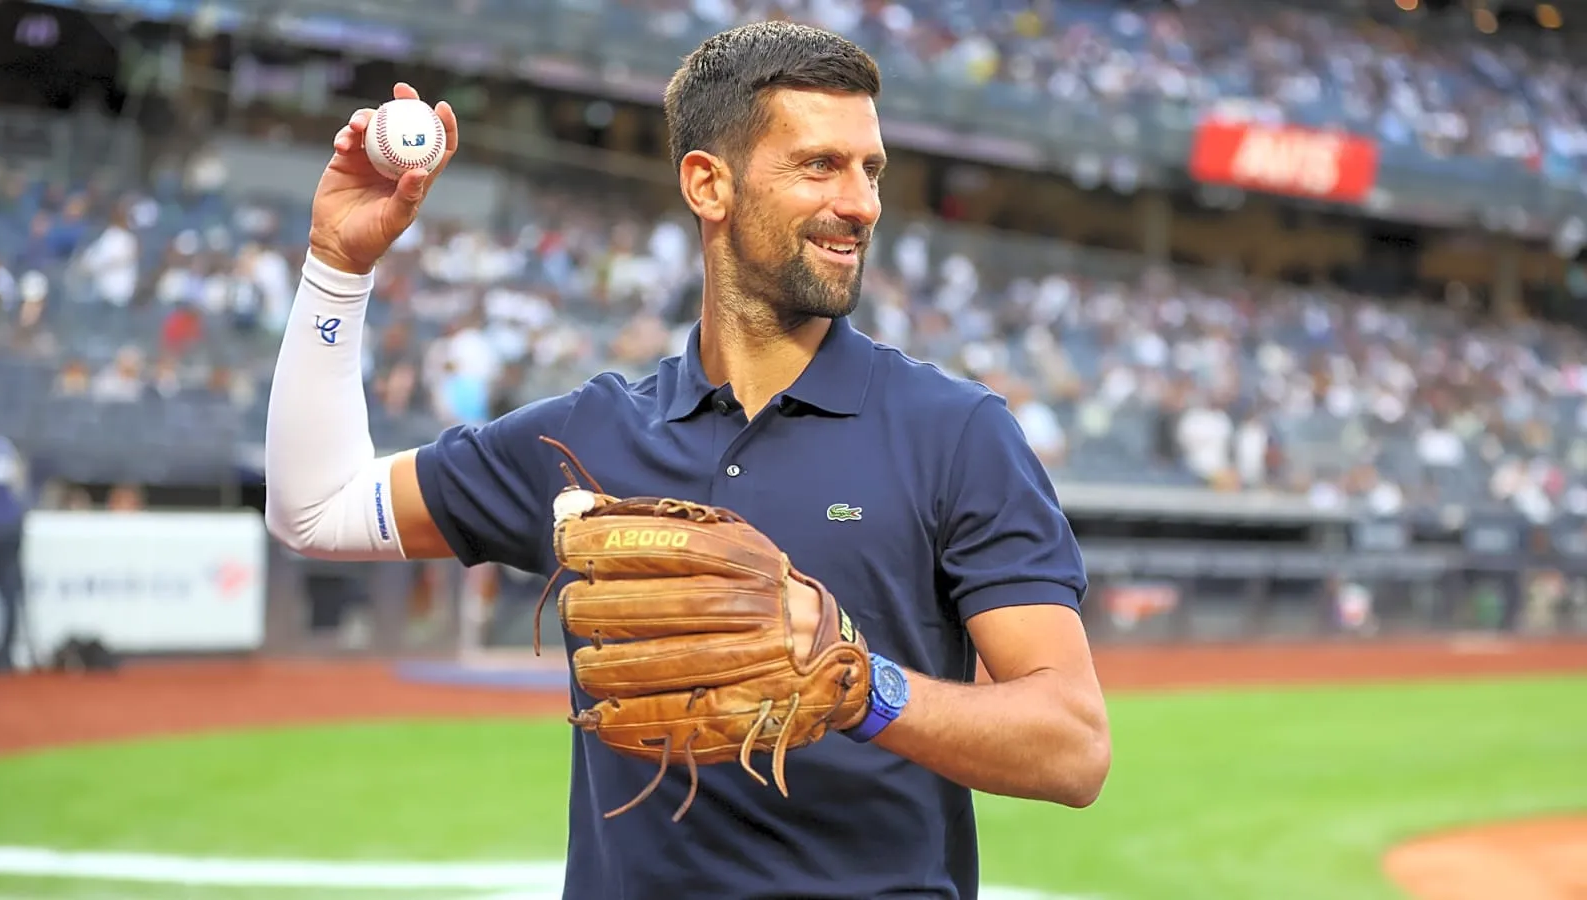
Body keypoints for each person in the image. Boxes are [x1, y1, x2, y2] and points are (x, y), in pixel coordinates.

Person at [264, 21, 1110, 899]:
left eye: (872, 169)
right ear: (709, 184)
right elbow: (313, 508)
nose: (862, 203)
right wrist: (338, 266)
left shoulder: (957, 431)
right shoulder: (583, 438)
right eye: (820, 165)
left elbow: (1074, 746)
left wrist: (859, 688)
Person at [0, 425, 27, 672]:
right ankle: (5, 658)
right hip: (9, 527)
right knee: (8, 594)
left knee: (8, 593)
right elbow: (19, 484)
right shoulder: (4, 445)